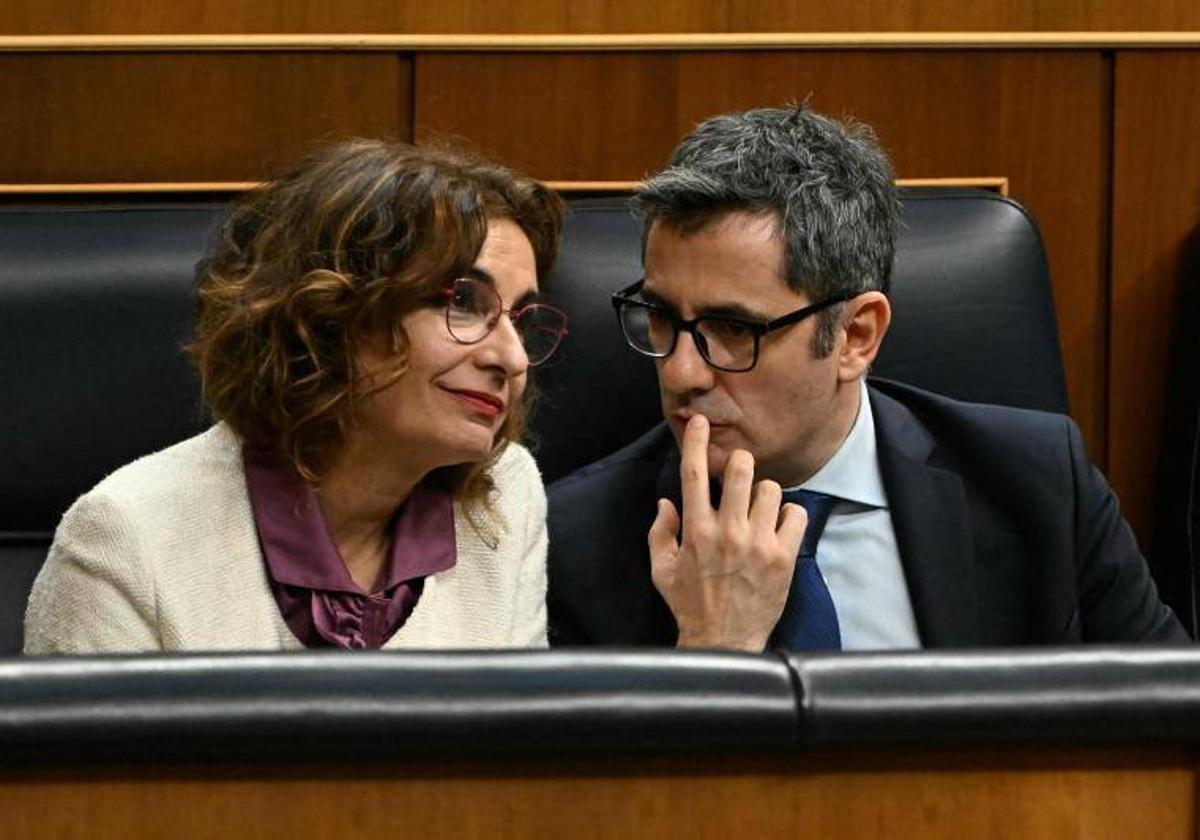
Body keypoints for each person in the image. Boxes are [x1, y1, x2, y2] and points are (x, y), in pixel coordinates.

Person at [547, 105, 1188, 651]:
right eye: (660, 317)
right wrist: (715, 654)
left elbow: (1170, 740)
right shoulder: (577, 540)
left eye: (734, 330)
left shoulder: (1039, 486)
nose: (682, 371)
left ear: (856, 336)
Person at [25, 140, 566, 653]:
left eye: (521, 320)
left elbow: (518, 751)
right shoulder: (126, 539)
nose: (513, 360)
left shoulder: (506, 497)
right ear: (331, 314)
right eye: (466, 303)